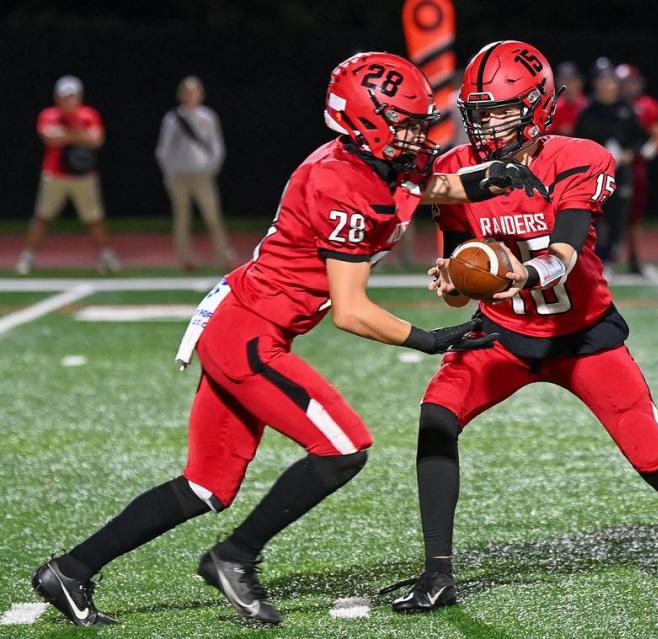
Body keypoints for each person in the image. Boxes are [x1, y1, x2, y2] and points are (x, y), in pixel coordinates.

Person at [31, 51, 549, 627]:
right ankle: (235, 556)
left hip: (243, 324)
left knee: (206, 485)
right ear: (367, 121)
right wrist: (434, 340)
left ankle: (70, 570)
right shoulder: (342, 183)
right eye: (404, 121)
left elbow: (432, 187)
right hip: (250, 336)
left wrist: (492, 178)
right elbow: (351, 310)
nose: (416, 133)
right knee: (343, 448)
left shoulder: (374, 162)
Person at [382, 39, 658, 614]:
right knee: (436, 419)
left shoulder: (578, 156)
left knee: (651, 456)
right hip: (500, 335)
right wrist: (454, 280)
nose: (485, 124)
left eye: (499, 109)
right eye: (477, 111)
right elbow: (462, 260)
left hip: (582, 337)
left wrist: (525, 272)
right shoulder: (455, 171)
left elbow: (564, 250)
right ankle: (437, 574)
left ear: (539, 105)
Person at [15, 76, 119, 276]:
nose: (69, 101)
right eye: (65, 96)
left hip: (83, 176)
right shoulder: (49, 114)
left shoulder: (89, 114)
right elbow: (50, 138)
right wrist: (79, 134)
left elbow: (97, 139)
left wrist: (66, 134)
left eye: (72, 96)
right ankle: (27, 257)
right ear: (57, 97)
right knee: (42, 218)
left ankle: (107, 256)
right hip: (55, 175)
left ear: (79, 97)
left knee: (94, 218)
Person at [156, 76, 234, 271]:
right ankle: (186, 259)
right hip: (179, 176)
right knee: (182, 217)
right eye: (187, 91)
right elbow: (163, 149)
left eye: (195, 91)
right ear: (181, 94)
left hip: (202, 175)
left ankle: (222, 256)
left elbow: (217, 146)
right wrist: (169, 172)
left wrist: (211, 168)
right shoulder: (172, 119)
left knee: (213, 216)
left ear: (200, 94)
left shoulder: (208, 117)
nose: (191, 95)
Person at [574, 61, 645, 270]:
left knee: (619, 219)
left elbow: (641, 137)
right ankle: (595, 259)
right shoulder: (588, 111)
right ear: (595, 83)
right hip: (595, 174)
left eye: (611, 80)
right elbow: (577, 143)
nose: (608, 85)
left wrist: (632, 152)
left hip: (621, 172)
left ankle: (609, 257)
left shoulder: (625, 108)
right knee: (594, 219)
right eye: (604, 80)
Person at [617, 63, 658, 272]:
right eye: (625, 83)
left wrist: (644, 154)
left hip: (633, 168)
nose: (629, 87)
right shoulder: (608, 105)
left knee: (633, 216)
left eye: (632, 82)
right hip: (607, 166)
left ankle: (634, 258)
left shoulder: (646, 106)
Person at [551, 62, 588, 136]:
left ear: (580, 82)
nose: (568, 84)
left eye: (572, 79)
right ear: (556, 82)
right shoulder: (551, 110)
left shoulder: (589, 106)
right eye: (563, 79)